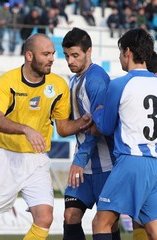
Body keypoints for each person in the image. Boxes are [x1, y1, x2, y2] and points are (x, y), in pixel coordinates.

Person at [0, 33, 92, 240]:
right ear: (29, 56)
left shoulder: (58, 85)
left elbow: (63, 128)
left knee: (45, 218)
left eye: (53, 53)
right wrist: (26, 129)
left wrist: (84, 122)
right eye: (46, 54)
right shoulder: (7, 81)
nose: (52, 58)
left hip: (36, 160)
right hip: (5, 158)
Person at [91, 28, 157, 240]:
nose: (120, 57)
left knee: (102, 222)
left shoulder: (120, 84)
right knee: (154, 228)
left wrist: (97, 111)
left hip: (132, 161)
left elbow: (106, 127)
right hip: (155, 161)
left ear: (127, 52)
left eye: (120, 52)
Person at [61, 27, 120, 240]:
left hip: (105, 165)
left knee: (106, 224)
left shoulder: (96, 79)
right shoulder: (75, 79)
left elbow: (97, 127)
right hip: (84, 167)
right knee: (71, 215)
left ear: (89, 51)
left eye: (75, 55)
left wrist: (79, 159)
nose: (70, 61)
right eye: (67, 56)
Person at [132, 50, 157, 240]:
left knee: (143, 221)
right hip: (149, 162)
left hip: (145, 162)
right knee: (141, 220)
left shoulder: (139, 92)